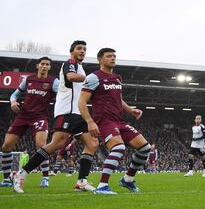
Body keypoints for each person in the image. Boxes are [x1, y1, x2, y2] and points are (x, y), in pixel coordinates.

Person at [13, 40, 99, 193]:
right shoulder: (70, 63)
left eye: (85, 49)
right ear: (72, 51)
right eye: (79, 48)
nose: (82, 51)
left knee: (92, 143)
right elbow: (71, 77)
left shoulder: (80, 68)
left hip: (78, 112)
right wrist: (93, 78)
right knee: (56, 145)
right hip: (66, 111)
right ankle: (21, 174)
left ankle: (82, 181)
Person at [77, 48, 152, 194]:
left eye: (114, 56)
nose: (113, 58)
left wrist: (130, 110)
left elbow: (118, 99)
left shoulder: (117, 78)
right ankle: (102, 186)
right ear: (100, 59)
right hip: (104, 121)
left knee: (145, 148)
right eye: (109, 56)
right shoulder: (93, 77)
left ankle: (127, 180)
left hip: (119, 121)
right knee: (118, 148)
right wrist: (90, 122)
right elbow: (82, 102)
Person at [1, 57, 57, 189]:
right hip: (23, 116)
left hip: (40, 117)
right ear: (38, 66)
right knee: (6, 146)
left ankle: (45, 178)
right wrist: (13, 102)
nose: (44, 66)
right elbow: (14, 95)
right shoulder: (29, 79)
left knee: (41, 145)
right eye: (42, 64)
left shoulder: (53, 82)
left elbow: (63, 95)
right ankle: (7, 179)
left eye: (47, 65)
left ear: (49, 68)